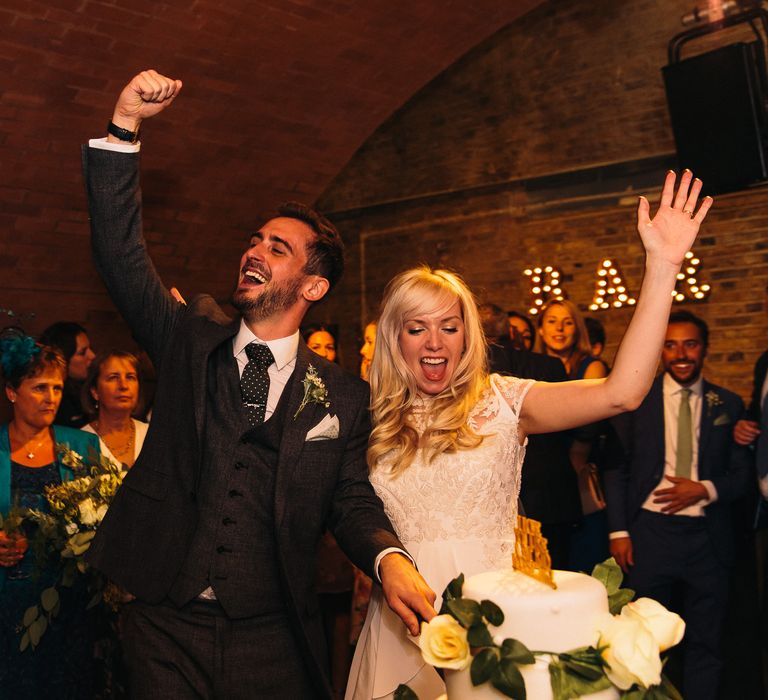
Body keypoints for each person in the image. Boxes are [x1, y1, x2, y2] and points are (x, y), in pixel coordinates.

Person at [81, 69, 434, 700]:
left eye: (277, 248)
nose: (254, 252)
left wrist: (389, 560)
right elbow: (121, 255)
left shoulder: (343, 396)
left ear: (313, 286)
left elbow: (351, 501)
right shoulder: (191, 337)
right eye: (254, 241)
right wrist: (124, 125)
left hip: (271, 636)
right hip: (166, 620)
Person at [346, 169, 712, 699]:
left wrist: (663, 265)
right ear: (394, 338)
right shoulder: (367, 416)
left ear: (467, 336)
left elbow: (623, 392)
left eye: (450, 327)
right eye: (417, 327)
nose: (435, 342)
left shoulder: (504, 401)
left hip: (502, 620)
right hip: (402, 623)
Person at [604, 311, 750, 700]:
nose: (681, 353)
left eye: (690, 344)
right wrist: (619, 532)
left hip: (708, 539)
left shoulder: (729, 404)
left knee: (707, 640)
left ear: (704, 349)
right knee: (643, 641)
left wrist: (704, 489)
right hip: (649, 536)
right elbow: (616, 469)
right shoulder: (637, 401)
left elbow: (743, 476)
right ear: (660, 351)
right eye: (670, 345)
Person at [0, 329, 101, 696]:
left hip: (68, 603)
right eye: (40, 388)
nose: (51, 398)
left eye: (57, 388)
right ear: (12, 392)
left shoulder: (83, 444)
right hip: (8, 603)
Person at [81, 350, 149, 469]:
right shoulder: (80, 441)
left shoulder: (152, 435)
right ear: (95, 391)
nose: (123, 385)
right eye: (113, 377)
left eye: (130, 377)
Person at [39, 321, 96, 429]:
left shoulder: (90, 388)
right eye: (82, 352)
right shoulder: (54, 403)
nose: (92, 355)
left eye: (90, 348)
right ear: (63, 358)